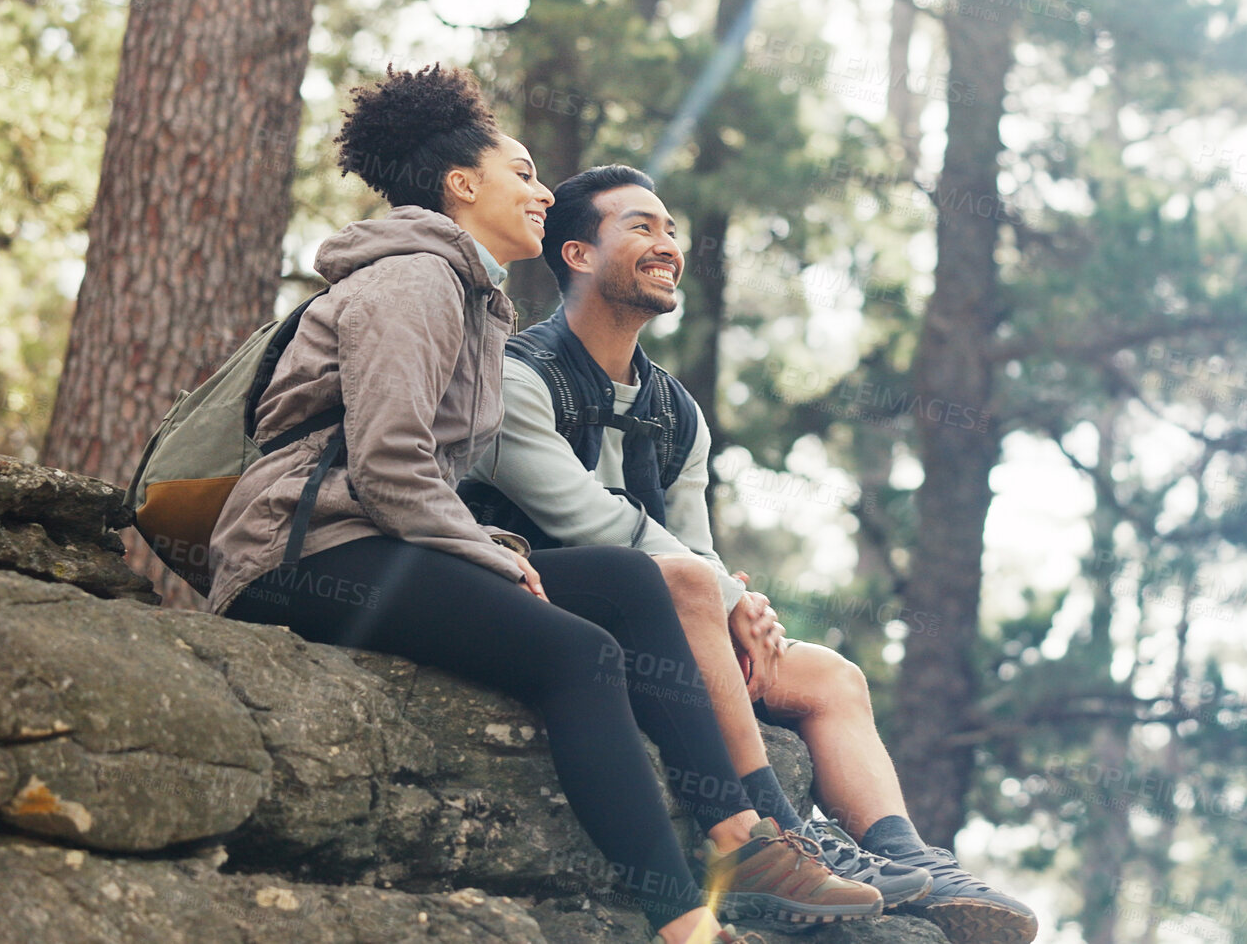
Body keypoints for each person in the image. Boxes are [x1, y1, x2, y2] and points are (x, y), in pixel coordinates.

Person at [203, 67, 881, 944]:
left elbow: (415, 483)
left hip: (370, 534)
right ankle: (683, 924)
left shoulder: (470, 296)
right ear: (461, 185)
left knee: (630, 581)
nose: (543, 191)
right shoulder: (413, 280)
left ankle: (743, 840)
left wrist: (489, 546)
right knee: (579, 654)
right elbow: (390, 466)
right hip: (304, 550)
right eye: (521, 172)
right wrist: (494, 556)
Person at [459, 164, 1039, 944]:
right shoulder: (517, 375)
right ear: (576, 254)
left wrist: (746, 618)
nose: (666, 244)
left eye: (670, 228)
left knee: (830, 674)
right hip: (544, 601)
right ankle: (776, 835)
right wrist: (729, 599)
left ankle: (912, 860)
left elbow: (692, 542)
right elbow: (586, 518)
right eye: (639, 226)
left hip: (667, 618)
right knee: (693, 584)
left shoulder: (674, 409)